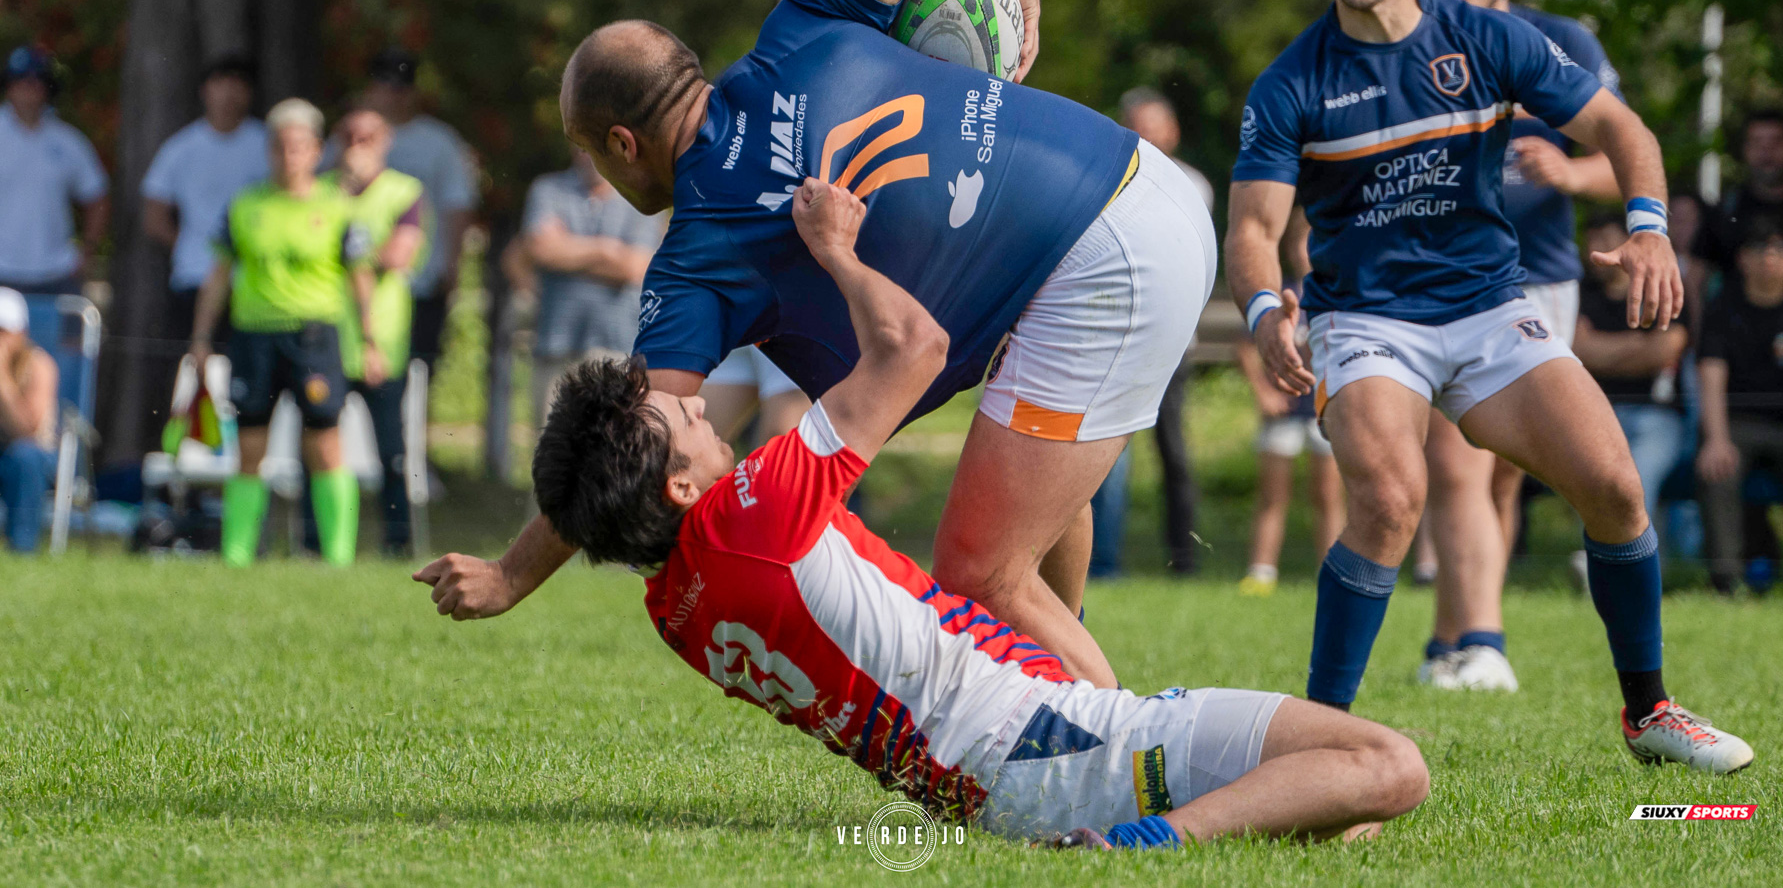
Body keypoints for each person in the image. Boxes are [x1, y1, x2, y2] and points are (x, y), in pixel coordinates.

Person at [422, 176, 1428, 847]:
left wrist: (518, 570)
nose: (694, 400)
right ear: (681, 486)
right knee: (1388, 765)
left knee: (1333, 811)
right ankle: (1151, 847)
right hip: (1051, 749)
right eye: (678, 416)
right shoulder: (753, 507)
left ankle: (1167, 815)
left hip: (984, 786)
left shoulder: (676, 605)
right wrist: (836, 249)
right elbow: (912, 346)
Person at [416, 0, 1215, 690]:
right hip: (1137, 185)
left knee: (980, 569)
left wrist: (510, 574)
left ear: (623, 144)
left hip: (1104, 259)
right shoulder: (800, 26)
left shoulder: (699, 255)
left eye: (596, 155)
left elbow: (631, 441)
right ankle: (1065, 710)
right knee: (1024, 494)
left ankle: (1138, 769)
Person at [1225, 0, 1751, 771]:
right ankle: (1314, 742)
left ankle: (1650, 713)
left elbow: (1623, 131)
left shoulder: (1487, 40)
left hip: (1486, 306)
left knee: (1617, 488)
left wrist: (1650, 229)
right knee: (1391, 497)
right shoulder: (1289, 84)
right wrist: (1269, 309)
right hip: (1366, 320)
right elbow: (1253, 230)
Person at [1412, 0, 1624, 692]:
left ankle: (1448, 646)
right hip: (1443, 278)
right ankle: (1484, 639)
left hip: (1542, 277)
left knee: (1502, 472)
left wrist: (1569, 172)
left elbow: (1625, 150)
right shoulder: (1407, 41)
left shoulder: (1560, 41)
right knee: (1457, 461)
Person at [189, 99, 381, 567]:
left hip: (314, 336)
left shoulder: (336, 207)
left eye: (298, 147)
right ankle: (237, 556)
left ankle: (337, 558)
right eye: (279, 146)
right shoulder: (245, 205)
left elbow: (360, 276)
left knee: (324, 444)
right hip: (254, 336)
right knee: (249, 445)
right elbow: (218, 275)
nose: (288, 156)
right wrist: (200, 337)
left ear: (315, 150)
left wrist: (371, 340)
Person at [695, 0, 830, 449]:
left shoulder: (856, 78)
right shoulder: (749, 81)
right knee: (681, 445)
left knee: (782, 444)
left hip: (799, 292)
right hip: (741, 284)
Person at [1119, 86, 1214, 574]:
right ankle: (1100, 562)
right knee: (1104, 455)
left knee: (1174, 454)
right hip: (1117, 339)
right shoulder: (1110, 178)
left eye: (1155, 125)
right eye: (1138, 125)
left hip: (1172, 345)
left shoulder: (1194, 185)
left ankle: (1184, 558)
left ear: (1172, 131)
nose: (1148, 136)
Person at [327, 106, 427, 556]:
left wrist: (352, 253)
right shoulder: (322, 192)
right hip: (325, 337)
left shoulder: (403, 192)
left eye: (367, 137)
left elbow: (398, 254)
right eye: (348, 136)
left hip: (380, 342)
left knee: (391, 451)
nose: (356, 146)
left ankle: (396, 544)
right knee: (320, 451)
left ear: (385, 142)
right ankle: (319, 545)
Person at [521, 147, 664, 425]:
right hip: (556, 343)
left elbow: (636, 267)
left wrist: (568, 249)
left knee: (613, 450)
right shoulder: (547, 189)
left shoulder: (641, 196)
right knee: (553, 451)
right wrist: (607, 250)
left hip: (619, 347)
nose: (589, 154)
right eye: (582, 146)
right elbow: (539, 248)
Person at [1696, 218, 1783, 594]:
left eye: (1780, 250)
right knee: (1717, 470)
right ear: (1742, 259)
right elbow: (1710, 375)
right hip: (1737, 424)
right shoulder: (1723, 306)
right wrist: (1716, 439)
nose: (1769, 258)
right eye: (1759, 250)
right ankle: (1726, 580)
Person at [1574, 214, 1691, 545]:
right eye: (1590, 241)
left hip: (1658, 417)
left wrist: (1598, 349)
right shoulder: (1579, 291)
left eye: (1606, 239)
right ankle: (1598, 557)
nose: (1597, 251)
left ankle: (1636, 559)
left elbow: (1665, 350)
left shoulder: (1663, 285)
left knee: (1636, 481)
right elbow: (1574, 349)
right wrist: (1637, 344)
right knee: (1592, 480)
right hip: (1593, 413)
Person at [142, 54, 269, 346]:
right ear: (205, 91)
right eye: (220, 83)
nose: (229, 93)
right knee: (195, 377)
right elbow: (153, 216)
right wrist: (188, 246)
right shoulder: (181, 148)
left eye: (238, 85)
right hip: (194, 278)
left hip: (254, 285)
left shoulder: (267, 145)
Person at [362, 49, 478, 368]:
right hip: (360, 276)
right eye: (386, 86)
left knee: (417, 372)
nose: (394, 96)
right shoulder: (353, 136)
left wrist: (452, 265)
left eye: (401, 87)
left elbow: (458, 205)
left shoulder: (440, 142)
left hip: (422, 278)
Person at [1236, 293, 1343, 596]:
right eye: (1298, 244)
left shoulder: (1336, 291)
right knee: (1272, 496)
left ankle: (1332, 575)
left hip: (1324, 411)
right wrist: (1262, 391)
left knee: (1329, 496)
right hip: (1283, 413)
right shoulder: (1276, 293)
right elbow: (1245, 345)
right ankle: (1261, 573)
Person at [0, 46, 109, 295]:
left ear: (48, 87)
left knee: (65, 335)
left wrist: (87, 251)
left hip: (57, 273)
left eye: (37, 80)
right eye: (21, 80)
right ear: (8, 85)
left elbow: (97, 196)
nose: (29, 87)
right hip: (2, 272)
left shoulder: (68, 141)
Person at [1690, 113, 1783, 330]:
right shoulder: (1724, 211)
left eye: (1775, 142)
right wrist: (1699, 335)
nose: (1766, 151)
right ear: (1745, 150)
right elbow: (1696, 277)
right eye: (1757, 143)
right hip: (1732, 344)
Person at [0, 287, 59, 553]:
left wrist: (2, 379)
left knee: (25, 456)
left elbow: (27, 429)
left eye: (2, 332)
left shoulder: (39, 365)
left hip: (32, 457)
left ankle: (22, 549)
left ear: (20, 333)